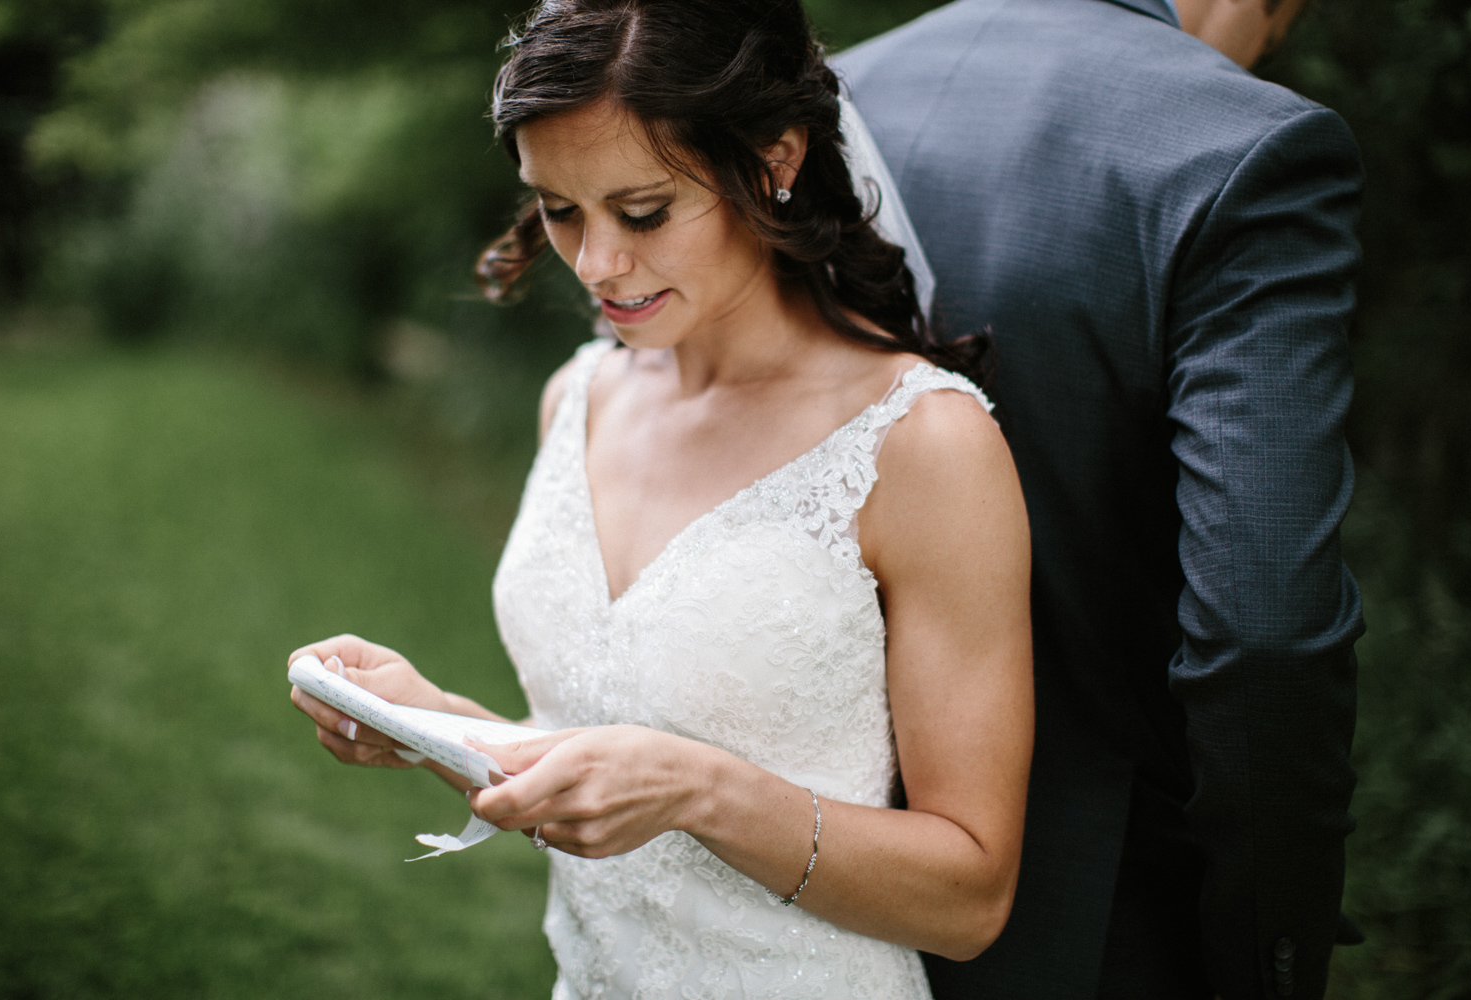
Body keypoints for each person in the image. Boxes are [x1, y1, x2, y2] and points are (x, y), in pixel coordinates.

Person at [288, 1, 1035, 997]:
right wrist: (443, 726)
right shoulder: (579, 396)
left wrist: (703, 788)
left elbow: (971, 896)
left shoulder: (925, 444)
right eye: (559, 210)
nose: (597, 263)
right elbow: (607, 745)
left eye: (642, 212)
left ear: (774, 158)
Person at [837, 0, 1364, 998]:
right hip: (1101, 922)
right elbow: (1264, 634)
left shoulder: (829, 91)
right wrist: (1273, 951)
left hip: (804, 864)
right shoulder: (1249, 147)